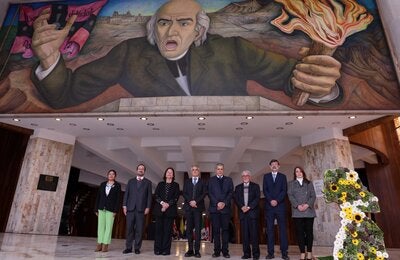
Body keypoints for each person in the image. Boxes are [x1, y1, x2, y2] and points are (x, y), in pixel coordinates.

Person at [31, 0, 342, 109]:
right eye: (163, 23)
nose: (171, 32)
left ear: (198, 31)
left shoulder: (231, 49)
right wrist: (48, 59)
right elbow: (66, 94)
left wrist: (319, 85)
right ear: (154, 30)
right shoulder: (129, 53)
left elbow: (293, 77)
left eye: (183, 23)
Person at [122, 163, 152, 254]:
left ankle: (137, 248)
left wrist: (148, 207)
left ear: (144, 171)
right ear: (137, 170)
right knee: (129, 229)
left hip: (141, 209)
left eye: (142, 169)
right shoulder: (130, 181)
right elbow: (126, 194)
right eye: (139, 168)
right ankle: (128, 247)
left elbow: (149, 196)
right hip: (130, 208)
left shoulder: (148, 182)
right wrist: (124, 206)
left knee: (139, 229)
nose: (141, 170)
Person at [287, 166, 316, 260]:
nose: (298, 173)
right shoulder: (291, 184)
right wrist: (297, 206)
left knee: (309, 233)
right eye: (296, 171)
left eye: (300, 171)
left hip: (308, 211)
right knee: (299, 233)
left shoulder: (309, 183)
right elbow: (290, 196)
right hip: (297, 212)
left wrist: (307, 205)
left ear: (303, 173)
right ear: (294, 174)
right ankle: (302, 253)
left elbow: (313, 196)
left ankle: (309, 252)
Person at [263, 159, 289, 260]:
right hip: (269, 207)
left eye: (276, 165)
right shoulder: (266, 176)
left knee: (282, 230)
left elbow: (284, 190)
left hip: (280, 207)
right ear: (270, 166)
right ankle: (270, 253)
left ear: (279, 166)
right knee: (270, 230)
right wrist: (271, 200)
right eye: (272, 165)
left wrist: (277, 201)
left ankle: (284, 253)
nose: (274, 166)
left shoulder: (283, 177)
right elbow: (265, 190)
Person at [208, 163, 234, 258]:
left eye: (221, 169)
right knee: (216, 231)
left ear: (223, 170)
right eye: (218, 169)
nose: (220, 170)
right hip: (214, 209)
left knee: (225, 230)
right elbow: (209, 193)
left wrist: (224, 203)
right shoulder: (211, 180)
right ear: (215, 170)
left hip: (225, 209)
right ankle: (217, 251)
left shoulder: (229, 180)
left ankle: (225, 251)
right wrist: (217, 203)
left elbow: (231, 193)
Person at [153, 167, 180, 256]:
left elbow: (176, 198)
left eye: (171, 172)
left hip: (170, 211)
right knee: (158, 230)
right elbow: (156, 195)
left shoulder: (176, 185)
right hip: (159, 210)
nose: (169, 174)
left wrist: (167, 204)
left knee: (167, 231)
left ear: (173, 175)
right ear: (165, 174)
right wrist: (162, 203)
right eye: (168, 172)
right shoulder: (160, 184)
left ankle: (166, 250)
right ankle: (157, 249)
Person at [234, 170, 260, 260]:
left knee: (254, 235)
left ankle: (256, 254)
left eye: (247, 175)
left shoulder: (256, 186)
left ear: (250, 176)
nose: (245, 177)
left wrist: (249, 207)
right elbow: (236, 199)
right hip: (243, 214)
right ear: (242, 177)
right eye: (243, 176)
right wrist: (242, 207)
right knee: (244, 235)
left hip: (252, 214)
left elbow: (257, 199)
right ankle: (246, 254)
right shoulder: (237, 188)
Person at [183, 165, 207, 258]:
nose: (195, 171)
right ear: (191, 171)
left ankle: (197, 251)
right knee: (188, 230)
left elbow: (204, 193)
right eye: (193, 170)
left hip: (198, 208)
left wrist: (195, 201)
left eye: (196, 169)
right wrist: (191, 202)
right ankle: (190, 250)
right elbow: (184, 193)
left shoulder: (203, 182)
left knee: (197, 230)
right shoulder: (187, 181)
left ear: (199, 171)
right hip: (189, 208)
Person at [94, 169, 121, 252]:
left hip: (111, 209)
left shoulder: (117, 185)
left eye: (113, 174)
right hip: (101, 208)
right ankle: (99, 244)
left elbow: (118, 199)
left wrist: (115, 211)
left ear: (115, 176)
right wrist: (96, 209)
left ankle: (105, 245)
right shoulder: (102, 184)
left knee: (108, 227)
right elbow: (98, 197)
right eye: (110, 174)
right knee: (100, 227)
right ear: (107, 175)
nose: (111, 175)